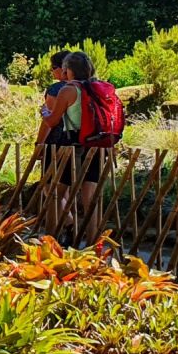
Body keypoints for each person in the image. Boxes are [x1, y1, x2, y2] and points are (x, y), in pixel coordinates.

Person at [36, 50, 103, 233]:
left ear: (69, 70)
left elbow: (52, 121)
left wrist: (43, 112)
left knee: (54, 195)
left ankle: (52, 241)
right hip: (96, 144)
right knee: (90, 198)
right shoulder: (98, 87)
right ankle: (93, 244)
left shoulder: (68, 90)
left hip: (73, 145)